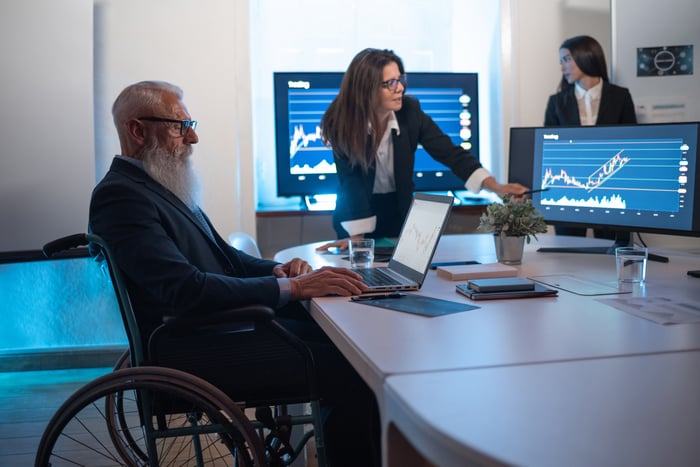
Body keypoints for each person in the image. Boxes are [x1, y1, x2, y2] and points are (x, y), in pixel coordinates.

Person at [89, 80, 379, 466]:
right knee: (359, 372)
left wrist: (278, 270)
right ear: (138, 130)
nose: (192, 137)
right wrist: (293, 287)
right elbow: (184, 290)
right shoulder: (121, 196)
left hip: (218, 331)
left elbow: (225, 258)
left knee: (353, 344)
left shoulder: (158, 186)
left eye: (191, 124)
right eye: (179, 125)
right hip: (198, 349)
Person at [317, 48, 528, 250]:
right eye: (389, 83)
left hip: (399, 210)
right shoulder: (341, 122)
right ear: (367, 89)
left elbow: (449, 152)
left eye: (400, 80)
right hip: (356, 214)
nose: (399, 88)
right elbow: (351, 183)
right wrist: (357, 241)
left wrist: (496, 187)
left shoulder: (410, 111)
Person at [544, 35, 637, 241]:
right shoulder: (556, 102)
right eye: (561, 61)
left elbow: (631, 144)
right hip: (569, 190)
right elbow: (550, 151)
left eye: (566, 59)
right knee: (568, 251)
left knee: (612, 251)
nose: (562, 68)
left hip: (612, 189)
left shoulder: (620, 96)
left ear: (586, 56)